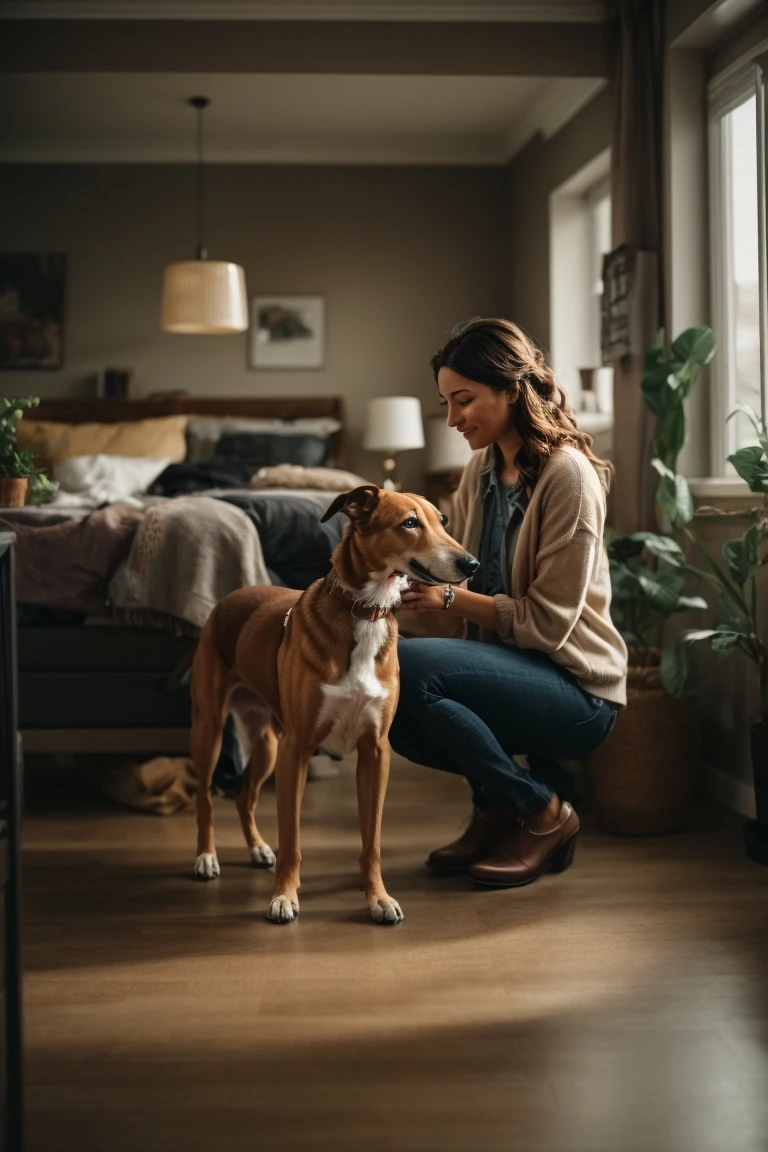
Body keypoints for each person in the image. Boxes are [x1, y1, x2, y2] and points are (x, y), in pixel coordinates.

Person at [391, 317, 627, 888]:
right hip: (512, 669)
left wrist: (448, 598)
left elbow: (546, 626)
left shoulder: (568, 477)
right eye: (447, 402)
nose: (452, 419)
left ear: (511, 390)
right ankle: (498, 810)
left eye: (464, 400)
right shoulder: (479, 470)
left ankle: (544, 813)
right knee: (387, 685)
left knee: (410, 668)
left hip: (578, 690)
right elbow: (457, 569)